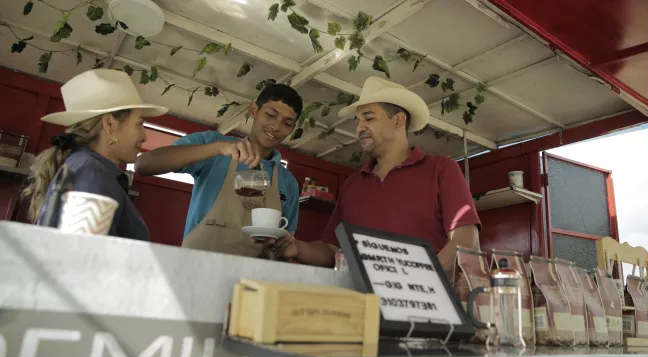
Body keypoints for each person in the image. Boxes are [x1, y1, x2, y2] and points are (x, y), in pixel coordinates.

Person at [266, 77, 481, 275]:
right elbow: (333, 250)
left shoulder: (441, 169)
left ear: (398, 121)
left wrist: (414, 286)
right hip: (360, 307)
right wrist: (297, 248)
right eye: (357, 121)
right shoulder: (352, 185)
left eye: (368, 118)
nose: (359, 128)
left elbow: (465, 244)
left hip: (422, 310)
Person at [135, 84, 302, 257]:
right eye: (270, 115)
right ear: (253, 110)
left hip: (254, 278)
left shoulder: (288, 182)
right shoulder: (213, 144)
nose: (276, 126)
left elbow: (285, 245)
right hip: (198, 267)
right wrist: (216, 149)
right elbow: (144, 165)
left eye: (287, 123)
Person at [23, 69, 168, 241]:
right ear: (109, 124)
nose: (144, 136)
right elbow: (86, 258)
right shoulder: (91, 173)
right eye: (139, 124)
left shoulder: (84, 167)